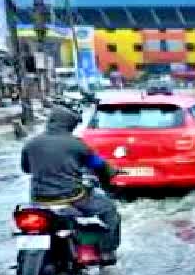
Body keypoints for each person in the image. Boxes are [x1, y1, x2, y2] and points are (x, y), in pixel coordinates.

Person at [20, 106, 121, 262]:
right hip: (72, 198)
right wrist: (111, 173)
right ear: (70, 125)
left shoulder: (31, 143)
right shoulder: (77, 145)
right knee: (109, 208)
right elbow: (99, 166)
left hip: (39, 200)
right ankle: (106, 251)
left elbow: (26, 168)